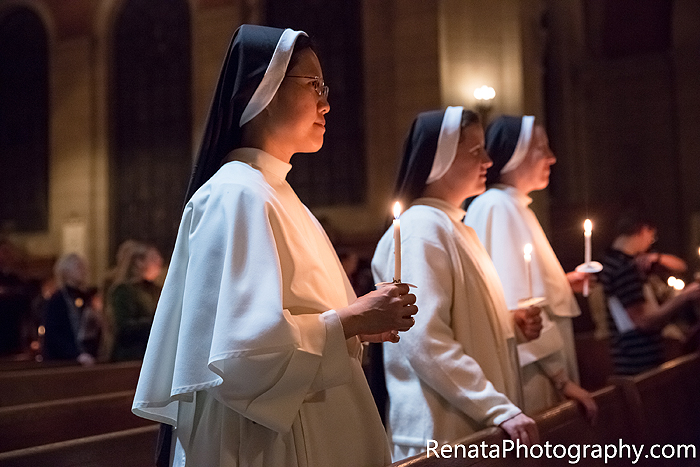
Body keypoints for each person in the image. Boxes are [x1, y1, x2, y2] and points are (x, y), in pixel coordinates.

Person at [132, 25, 417, 467]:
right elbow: (243, 355)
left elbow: (295, 322)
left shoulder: (277, 194)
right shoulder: (235, 195)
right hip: (262, 442)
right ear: (260, 90)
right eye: (314, 85)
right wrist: (349, 319)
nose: (327, 102)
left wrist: (356, 325)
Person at [372, 107, 540, 461]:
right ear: (441, 158)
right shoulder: (421, 228)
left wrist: (510, 324)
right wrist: (497, 408)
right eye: (476, 151)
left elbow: (454, 322)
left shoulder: (451, 225)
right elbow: (425, 338)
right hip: (442, 437)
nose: (489, 161)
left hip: (467, 431)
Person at [464, 115, 597, 421]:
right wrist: (562, 379)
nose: (552, 157)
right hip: (534, 371)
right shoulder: (498, 206)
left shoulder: (513, 206)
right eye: (541, 148)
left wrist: (563, 283)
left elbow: (522, 284)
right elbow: (518, 306)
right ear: (516, 154)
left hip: (541, 365)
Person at [599, 213, 700, 375]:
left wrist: (657, 257)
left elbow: (681, 266)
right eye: (651, 237)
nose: (650, 243)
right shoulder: (624, 268)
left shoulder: (611, 260)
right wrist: (684, 297)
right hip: (638, 358)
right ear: (643, 230)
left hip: (627, 355)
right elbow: (644, 321)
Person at [42, 253, 101, 365]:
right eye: (79, 267)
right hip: (63, 360)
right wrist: (75, 354)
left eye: (84, 267)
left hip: (88, 356)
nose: (84, 271)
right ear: (66, 271)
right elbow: (54, 333)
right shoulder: (57, 299)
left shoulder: (87, 296)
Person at [107, 242, 157, 361]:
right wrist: (153, 324)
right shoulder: (122, 290)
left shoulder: (149, 289)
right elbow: (123, 326)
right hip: (130, 353)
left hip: (146, 350)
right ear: (138, 263)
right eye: (150, 260)